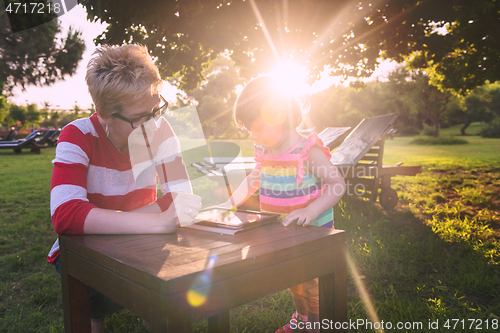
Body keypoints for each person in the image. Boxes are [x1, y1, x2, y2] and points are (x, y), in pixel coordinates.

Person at [46, 44, 202, 333]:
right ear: (104, 114)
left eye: (156, 109)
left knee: (171, 306)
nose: (153, 124)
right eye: (139, 118)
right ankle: (97, 316)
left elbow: (181, 198)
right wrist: (155, 222)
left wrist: (114, 221)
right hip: (84, 251)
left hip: (141, 246)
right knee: (97, 299)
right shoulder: (77, 135)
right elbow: (66, 215)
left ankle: (146, 311)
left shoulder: (162, 129)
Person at [220, 76, 346, 333]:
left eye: (257, 127)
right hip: (283, 235)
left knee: (312, 283)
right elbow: (251, 182)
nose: (253, 135)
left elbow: (337, 185)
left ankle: (316, 324)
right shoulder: (265, 152)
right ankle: (301, 319)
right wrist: (226, 205)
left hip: (313, 235)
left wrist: (310, 211)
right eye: (249, 130)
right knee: (294, 280)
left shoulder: (307, 151)